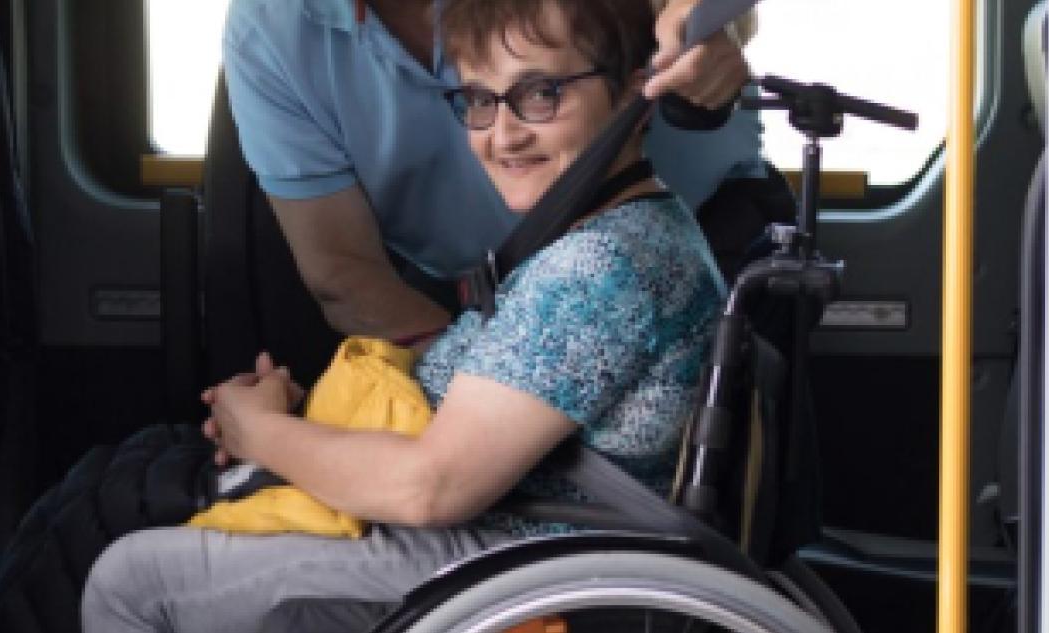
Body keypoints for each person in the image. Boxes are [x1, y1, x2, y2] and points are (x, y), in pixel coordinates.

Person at [79, 0, 728, 629]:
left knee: (129, 581)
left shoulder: (600, 269)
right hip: (499, 528)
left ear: (634, 96)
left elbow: (431, 488)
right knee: (122, 495)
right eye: (480, 101)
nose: (503, 134)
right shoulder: (601, 237)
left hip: (515, 563)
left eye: (542, 94)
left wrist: (261, 432)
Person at [222, 0, 762, 348]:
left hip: (703, 230)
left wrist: (713, 25)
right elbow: (342, 269)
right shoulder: (268, 28)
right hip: (489, 293)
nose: (502, 134)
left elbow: (712, 16)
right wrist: (474, 382)